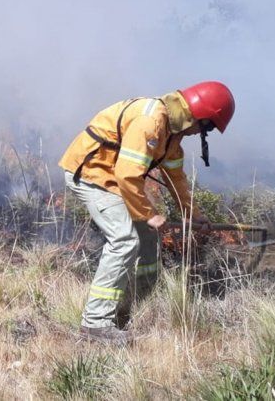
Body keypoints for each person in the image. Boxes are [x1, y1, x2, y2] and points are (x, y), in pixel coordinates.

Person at [58, 81, 235, 345]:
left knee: (149, 237)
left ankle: (140, 301)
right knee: (124, 240)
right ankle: (94, 324)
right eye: (207, 126)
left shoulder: (172, 136)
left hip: (114, 179)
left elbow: (176, 179)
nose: (202, 132)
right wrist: (148, 213)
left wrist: (192, 213)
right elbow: (127, 174)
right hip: (91, 174)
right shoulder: (150, 122)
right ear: (198, 115)